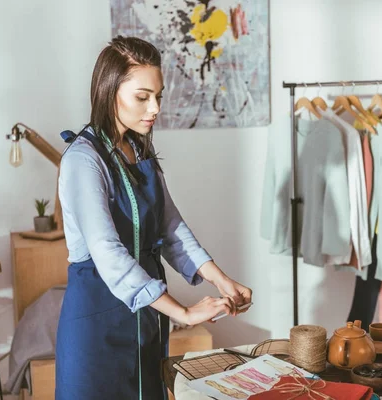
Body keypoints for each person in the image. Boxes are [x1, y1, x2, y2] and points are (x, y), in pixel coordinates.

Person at [55, 36, 252, 400]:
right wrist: (183, 313)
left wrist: (221, 280)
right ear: (110, 91)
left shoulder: (137, 149)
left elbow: (171, 229)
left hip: (145, 320)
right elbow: (108, 254)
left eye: (158, 96)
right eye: (142, 97)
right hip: (96, 328)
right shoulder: (83, 161)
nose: (155, 107)